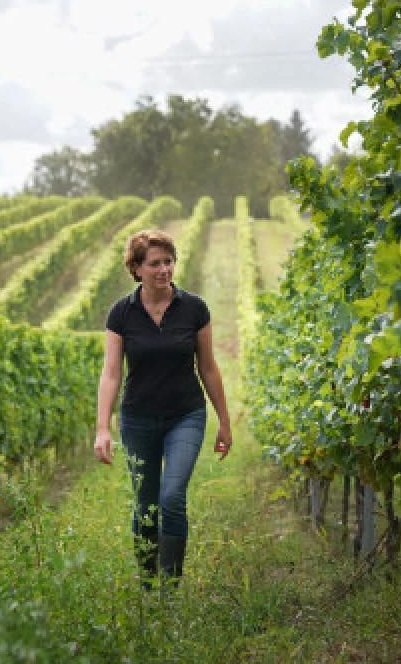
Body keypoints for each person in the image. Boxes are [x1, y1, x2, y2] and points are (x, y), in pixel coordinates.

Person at [93, 229, 231, 589]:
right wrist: (103, 428)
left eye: (168, 261)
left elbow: (209, 367)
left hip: (186, 414)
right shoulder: (121, 314)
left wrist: (224, 422)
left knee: (171, 497)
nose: (164, 269)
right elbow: (110, 374)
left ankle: (170, 589)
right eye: (155, 263)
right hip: (138, 419)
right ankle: (147, 583)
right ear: (136, 268)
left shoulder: (194, 309)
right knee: (146, 505)